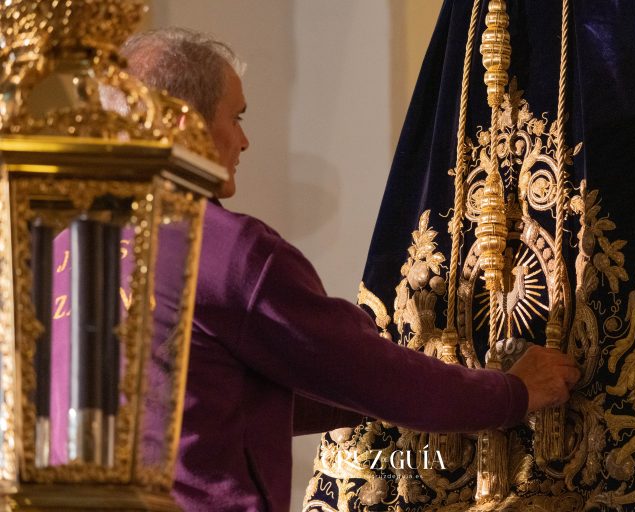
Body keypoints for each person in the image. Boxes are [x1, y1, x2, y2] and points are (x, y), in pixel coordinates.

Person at [120, 28, 580, 512]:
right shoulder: (229, 254)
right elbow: (370, 375)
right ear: (180, 123)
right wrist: (514, 393)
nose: (244, 140)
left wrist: (406, 389)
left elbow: (210, 402)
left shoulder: (77, 246)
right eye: (234, 118)